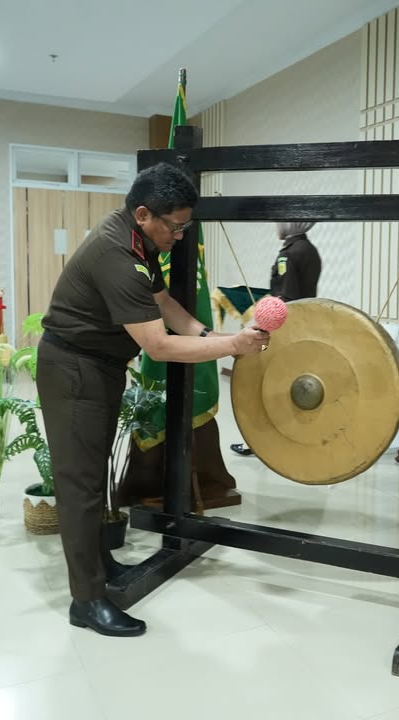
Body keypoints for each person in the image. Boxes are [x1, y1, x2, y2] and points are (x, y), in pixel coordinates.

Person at [37, 163, 270, 638]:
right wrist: (232, 347)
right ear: (144, 214)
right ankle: (87, 600)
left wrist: (212, 333)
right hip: (73, 370)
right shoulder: (116, 253)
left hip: (97, 367)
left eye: (187, 226)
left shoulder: (140, 239)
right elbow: (159, 346)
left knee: (92, 474)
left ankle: (100, 567)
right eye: (176, 226)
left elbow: (165, 306)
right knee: (79, 484)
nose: (181, 235)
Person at [230, 221, 321, 457]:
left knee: (266, 385)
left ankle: (258, 442)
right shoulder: (309, 250)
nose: (275, 227)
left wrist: (259, 323)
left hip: (283, 330)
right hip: (303, 327)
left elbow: (285, 297)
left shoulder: (288, 255)